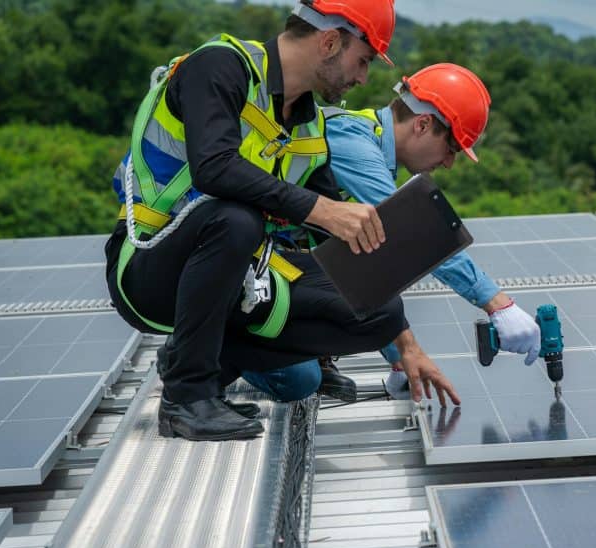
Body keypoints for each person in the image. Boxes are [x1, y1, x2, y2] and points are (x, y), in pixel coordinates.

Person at [105, 0, 458, 442]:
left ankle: (204, 358)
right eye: (362, 61)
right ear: (329, 42)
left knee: (380, 311)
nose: (363, 78)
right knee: (236, 220)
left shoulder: (308, 127)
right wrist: (324, 210)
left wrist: (406, 344)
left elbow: (334, 235)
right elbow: (214, 168)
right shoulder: (219, 67)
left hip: (241, 277)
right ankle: (187, 398)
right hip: (149, 268)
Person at [242, 63, 541, 402]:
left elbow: (363, 273)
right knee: (298, 381)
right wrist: (497, 304)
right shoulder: (352, 142)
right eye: (452, 148)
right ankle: (215, 345)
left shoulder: (371, 153)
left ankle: (283, 344)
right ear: (423, 124)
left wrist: (401, 357)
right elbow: (413, 234)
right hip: (238, 269)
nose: (449, 163)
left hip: (270, 268)